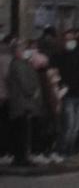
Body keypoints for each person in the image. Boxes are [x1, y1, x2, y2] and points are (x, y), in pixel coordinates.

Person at [54, 28, 79, 156]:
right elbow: (55, 73)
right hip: (68, 95)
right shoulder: (60, 56)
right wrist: (60, 85)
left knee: (76, 127)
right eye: (67, 39)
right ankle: (63, 150)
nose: (69, 42)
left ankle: (69, 150)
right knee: (68, 125)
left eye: (71, 39)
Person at [4, 39, 38, 167]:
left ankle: (22, 157)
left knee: (22, 131)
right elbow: (25, 83)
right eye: (23, 49)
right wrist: (32, 90)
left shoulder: (22, 63)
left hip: (22, 102)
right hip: (21, 103)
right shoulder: (18, 65)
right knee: (21, 132)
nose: (26, 52)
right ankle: (21, 158)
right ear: (17, 51)